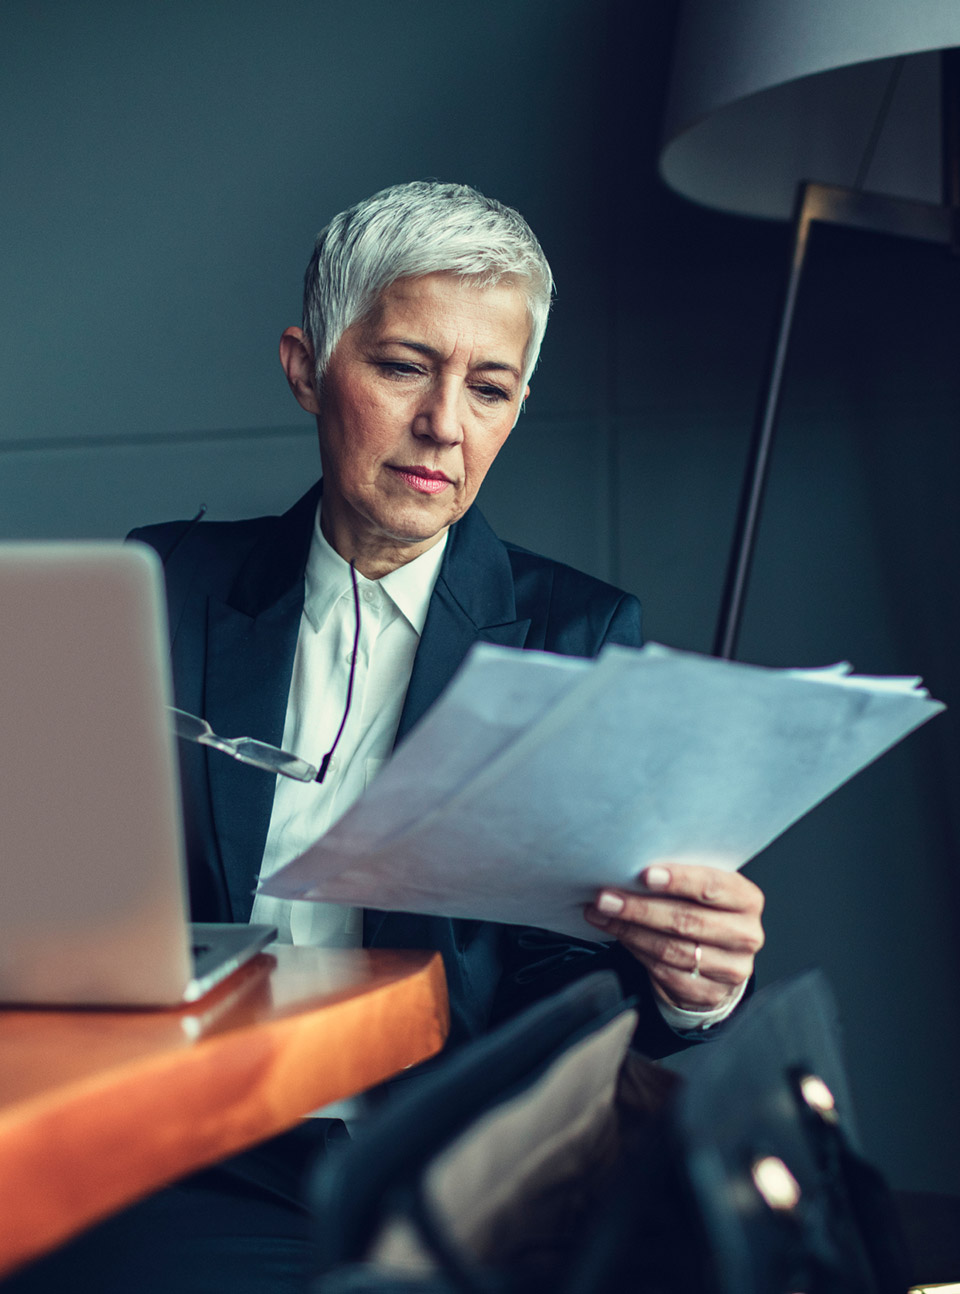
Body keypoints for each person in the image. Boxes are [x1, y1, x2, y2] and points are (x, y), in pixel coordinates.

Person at [5, 181, 764, 1294]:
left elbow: (571, 973)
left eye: (489, 386)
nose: (444, 424)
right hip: (199, 1154)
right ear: (308, 366)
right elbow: (68, 912)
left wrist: (688, 981)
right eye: (405, 365)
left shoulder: (577, 631)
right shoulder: (164, 587)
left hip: (455, 1165)